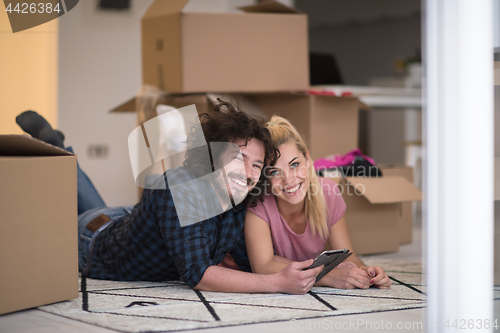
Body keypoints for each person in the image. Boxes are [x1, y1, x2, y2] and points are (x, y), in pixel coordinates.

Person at [15, 103, 324, 294]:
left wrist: (317, 271)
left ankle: (62, 149)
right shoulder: (179, 187)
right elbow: (199, 274)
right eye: (237, 158)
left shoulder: (239, 201)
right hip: (92, 239)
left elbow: (257, 264)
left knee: (99, 203)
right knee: (60, 209)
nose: (248, 171)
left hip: (132, 220)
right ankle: (58, 149)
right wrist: (277, 283)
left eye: (256, 165)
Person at [244, 116, 391, 289]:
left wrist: (365, 271)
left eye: (295, 164)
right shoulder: (259, 203)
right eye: (275, 172)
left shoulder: (328, 193)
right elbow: (262, 266)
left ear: (307, 159)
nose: (289, 179)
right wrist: (324, 276)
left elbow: (348, 256)